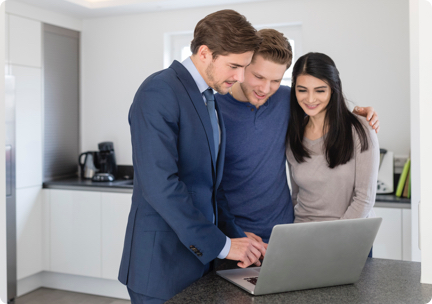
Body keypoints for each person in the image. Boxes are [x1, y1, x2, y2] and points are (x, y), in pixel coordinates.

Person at [118, 10, 266, 304]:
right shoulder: (159, 90)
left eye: (244, 67)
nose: (239, 77)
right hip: (162, 267)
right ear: (205, 53)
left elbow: (212, 187)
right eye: (234, 66)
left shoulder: (210, 97)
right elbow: (161, 186)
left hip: (202, 265)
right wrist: (223, 246)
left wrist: (240, 241)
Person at [216, 29, 380, 243]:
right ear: (243, 64)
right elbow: (205, 184)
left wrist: (359, 114)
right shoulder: (213, 109)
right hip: (236, 238)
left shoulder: (286, 99)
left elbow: (323, 104)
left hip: (284, 233)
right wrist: (231, 233)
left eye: (275, 80)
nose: (265, 89)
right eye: (258, 76)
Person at [286, 52, 379, 226]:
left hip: (348, 235)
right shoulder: (293, 134)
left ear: (333, 89)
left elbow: (364, 199)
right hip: (302, 235)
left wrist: (334, 239)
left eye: (320, 90)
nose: (310, 99)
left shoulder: (360, 130)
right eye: (302, 90)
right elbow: (296, 197)